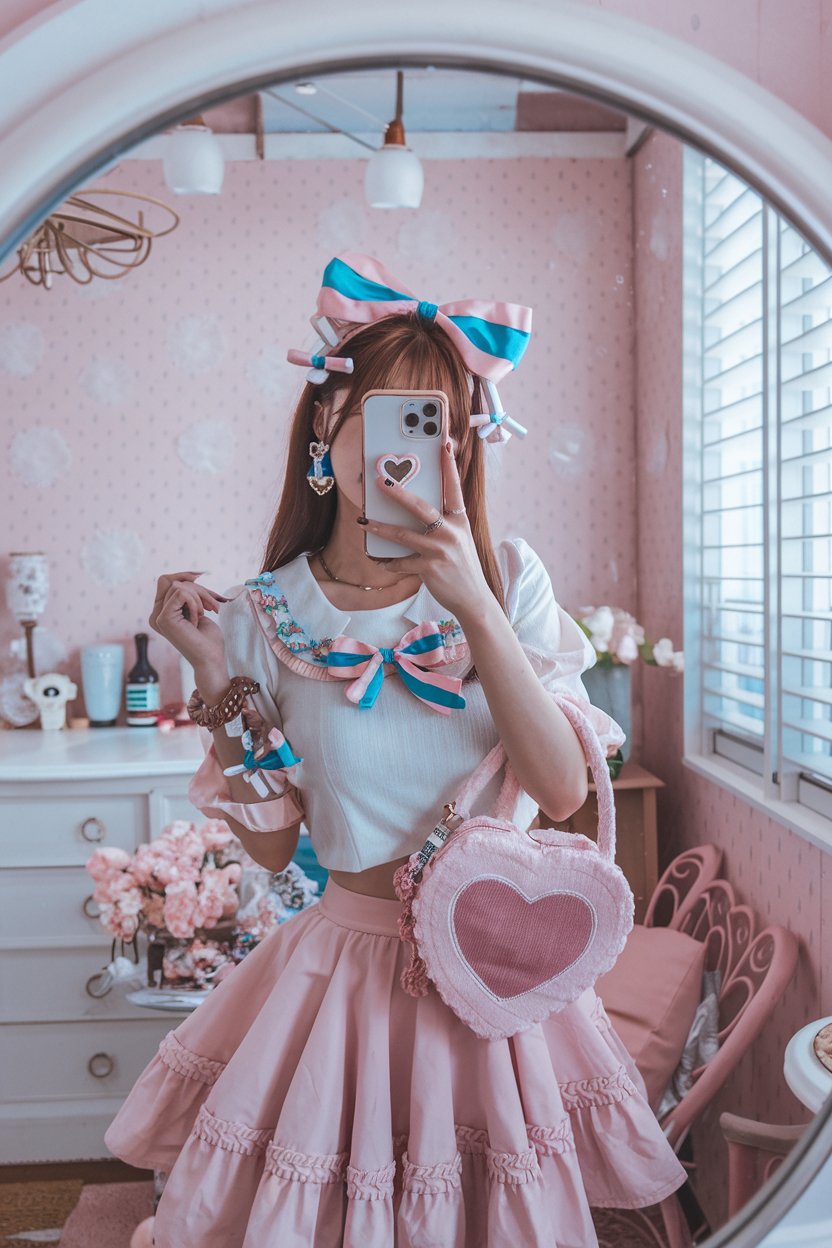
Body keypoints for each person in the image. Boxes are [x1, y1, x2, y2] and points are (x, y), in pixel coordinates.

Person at [104, 253, 687, 1247]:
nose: (413, 448)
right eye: (389, 417)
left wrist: (473, 605)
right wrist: (211, 674)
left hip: (491, 976)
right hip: (343, 978)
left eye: (438, 423)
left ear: (467, 441)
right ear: (327, 423)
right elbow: (277, 850)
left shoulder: (510, 579)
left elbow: (558, 791)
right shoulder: (265, 611)